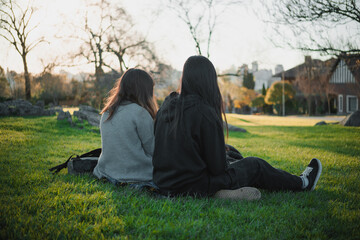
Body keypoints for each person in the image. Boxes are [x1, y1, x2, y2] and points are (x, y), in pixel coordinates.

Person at [152, 55, 322, 200]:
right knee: (255, 165)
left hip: (164, 183)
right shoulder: (204, 112)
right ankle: (303, 183)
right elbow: (217, 168)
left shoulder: (167, 105)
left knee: (231, 151)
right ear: (209, 81)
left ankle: (237, 184)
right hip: (193, 186)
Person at [93, 68, 158, 184]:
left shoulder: (107, 112)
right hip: (136, 172)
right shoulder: (140, 113)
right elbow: (153, 150)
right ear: (144, 90)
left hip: (107, 170)